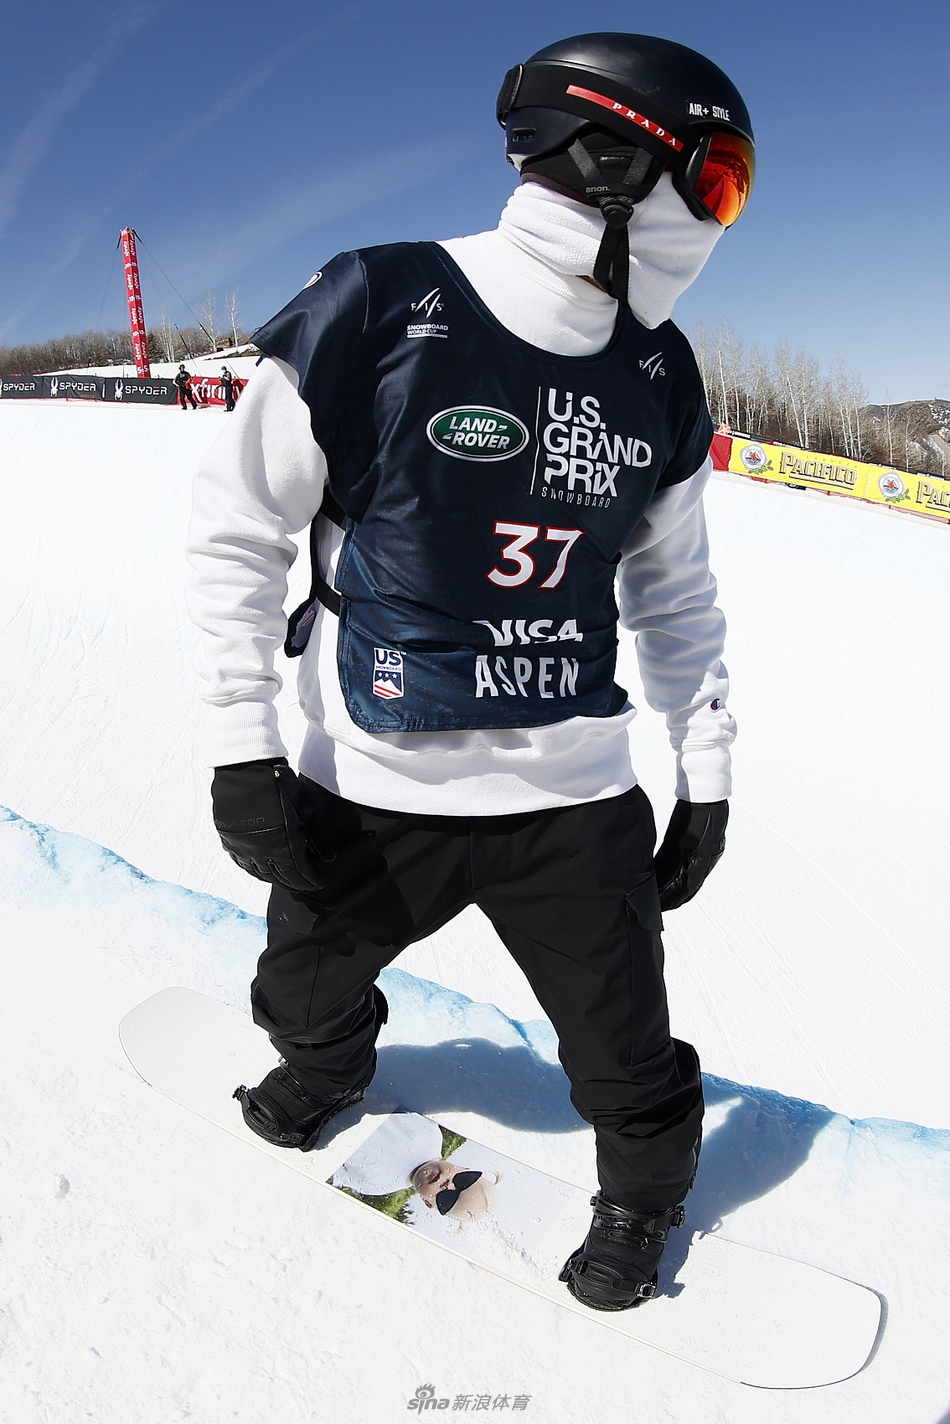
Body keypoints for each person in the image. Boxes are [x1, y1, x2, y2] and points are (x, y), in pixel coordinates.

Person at [187, 32, 753, 1312]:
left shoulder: (656, 368)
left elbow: (672, 587)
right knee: (298, 992)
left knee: (626, 1057)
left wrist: (703, 769)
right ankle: (330, 1068)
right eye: (712, 179)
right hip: (372, 781)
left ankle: (642, 1196)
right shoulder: (379, 302)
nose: (721, 218)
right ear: (607, 157)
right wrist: (241, 744)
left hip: (569, 801)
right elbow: (238, 525)